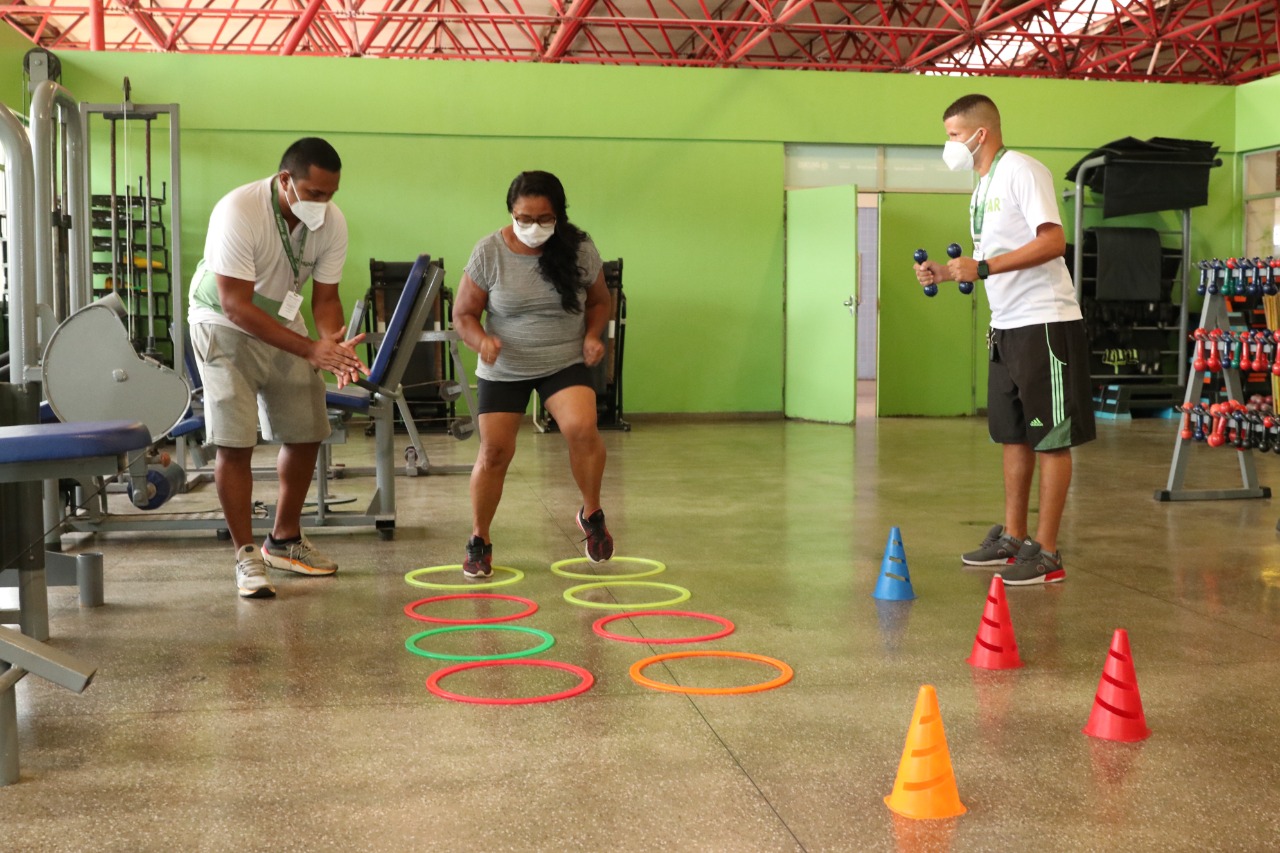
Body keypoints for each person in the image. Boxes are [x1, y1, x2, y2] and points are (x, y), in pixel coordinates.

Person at [913, 94, 1095, 585]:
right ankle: (1014, 538)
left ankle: (1048, 553)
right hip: (1006, 325)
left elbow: (1052, 241)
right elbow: (987, 260)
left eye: (953, 135)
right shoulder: (982, 187)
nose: (949, 145)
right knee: (1012, 435)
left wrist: (985, 267)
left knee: (1050, 438)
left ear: (980, 133)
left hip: (1044, 322)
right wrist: (946, 273)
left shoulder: (1022, 170)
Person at [189, 137, 368, 599]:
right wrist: (310, 350)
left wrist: (331, 344)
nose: (322, 204)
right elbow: (235, 304)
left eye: (330, 194)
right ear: (285, 180)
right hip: (222, 321)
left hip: (284, 321)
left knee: (307, 427)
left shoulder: (331, 222)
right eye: (314, 193)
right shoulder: (239, 210)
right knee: (235, 440)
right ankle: (245, 555)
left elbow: (325, 299)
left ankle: (284, 540)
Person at [452, 170, 615, 580]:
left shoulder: (579, 249)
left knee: (582, 429)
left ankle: (591, 512)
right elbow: (463, 314)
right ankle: (479, 538)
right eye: (524, 218)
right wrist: (481, 341)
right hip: (505, 366)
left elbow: (600, 301)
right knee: (494, 452)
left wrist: (593, 335)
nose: (533, 227)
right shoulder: (489, 252)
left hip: (563, 360)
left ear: (559, 215)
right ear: (511, 212)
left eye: (544, 219)